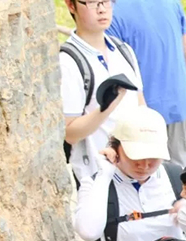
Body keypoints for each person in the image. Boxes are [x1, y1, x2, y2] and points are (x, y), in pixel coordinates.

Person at [73, 106, 182, 241]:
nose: (145, 165)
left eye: (153, 156)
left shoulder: (177, 178)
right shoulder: (96, 184)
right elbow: (88, 231)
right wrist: (105, 174)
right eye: (136, 155)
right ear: (116, 148)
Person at [61, 0, 145, 183]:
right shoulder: (68, 61)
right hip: (95, 177)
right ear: (71, 6)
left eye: (106, 1)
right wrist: (108, 106)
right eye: (92, 2)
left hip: (134, 172)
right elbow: (69, 133)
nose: (102, 10)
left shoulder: (124, 50)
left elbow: (141, 107)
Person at [108, 0, 186, 166]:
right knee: (183, 165)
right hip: (180, 100)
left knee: (146, 170)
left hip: (142, 108)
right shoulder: (172, 3)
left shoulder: (112, 12)